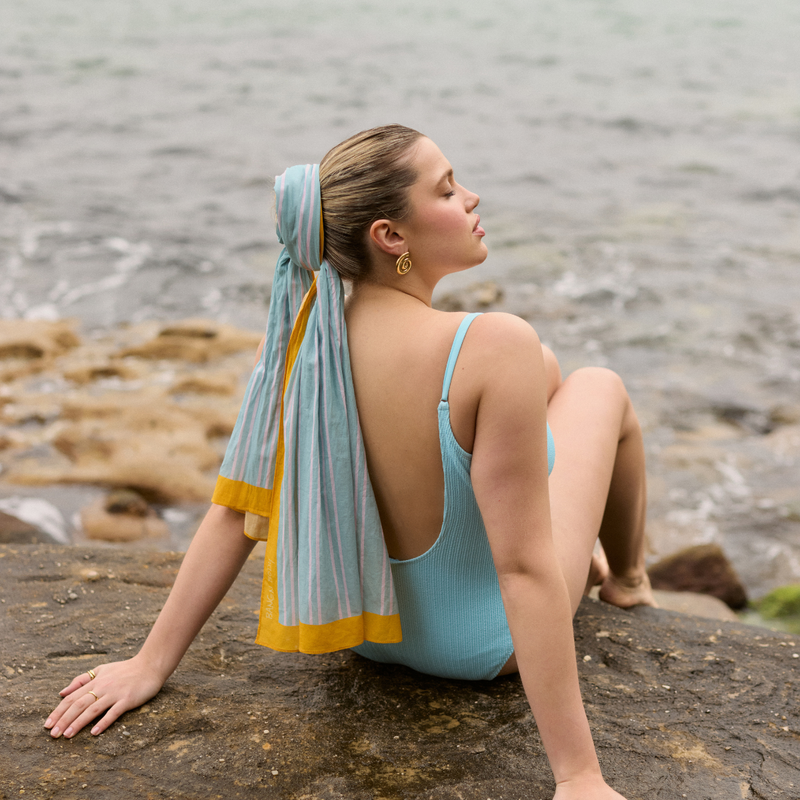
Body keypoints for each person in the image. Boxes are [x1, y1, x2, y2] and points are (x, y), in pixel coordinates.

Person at [45, 124, 655, 800]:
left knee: (541, 372)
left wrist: (149, 663)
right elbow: (523, 567)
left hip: (361, 629)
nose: (473, 198)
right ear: (391, 236)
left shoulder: (297, 346)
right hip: (482, 645)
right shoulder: (493, 342)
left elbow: (231, 513)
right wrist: (578, 776)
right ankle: (626, 580)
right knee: (597, 385)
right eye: (448, 189)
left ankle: (600, 563)